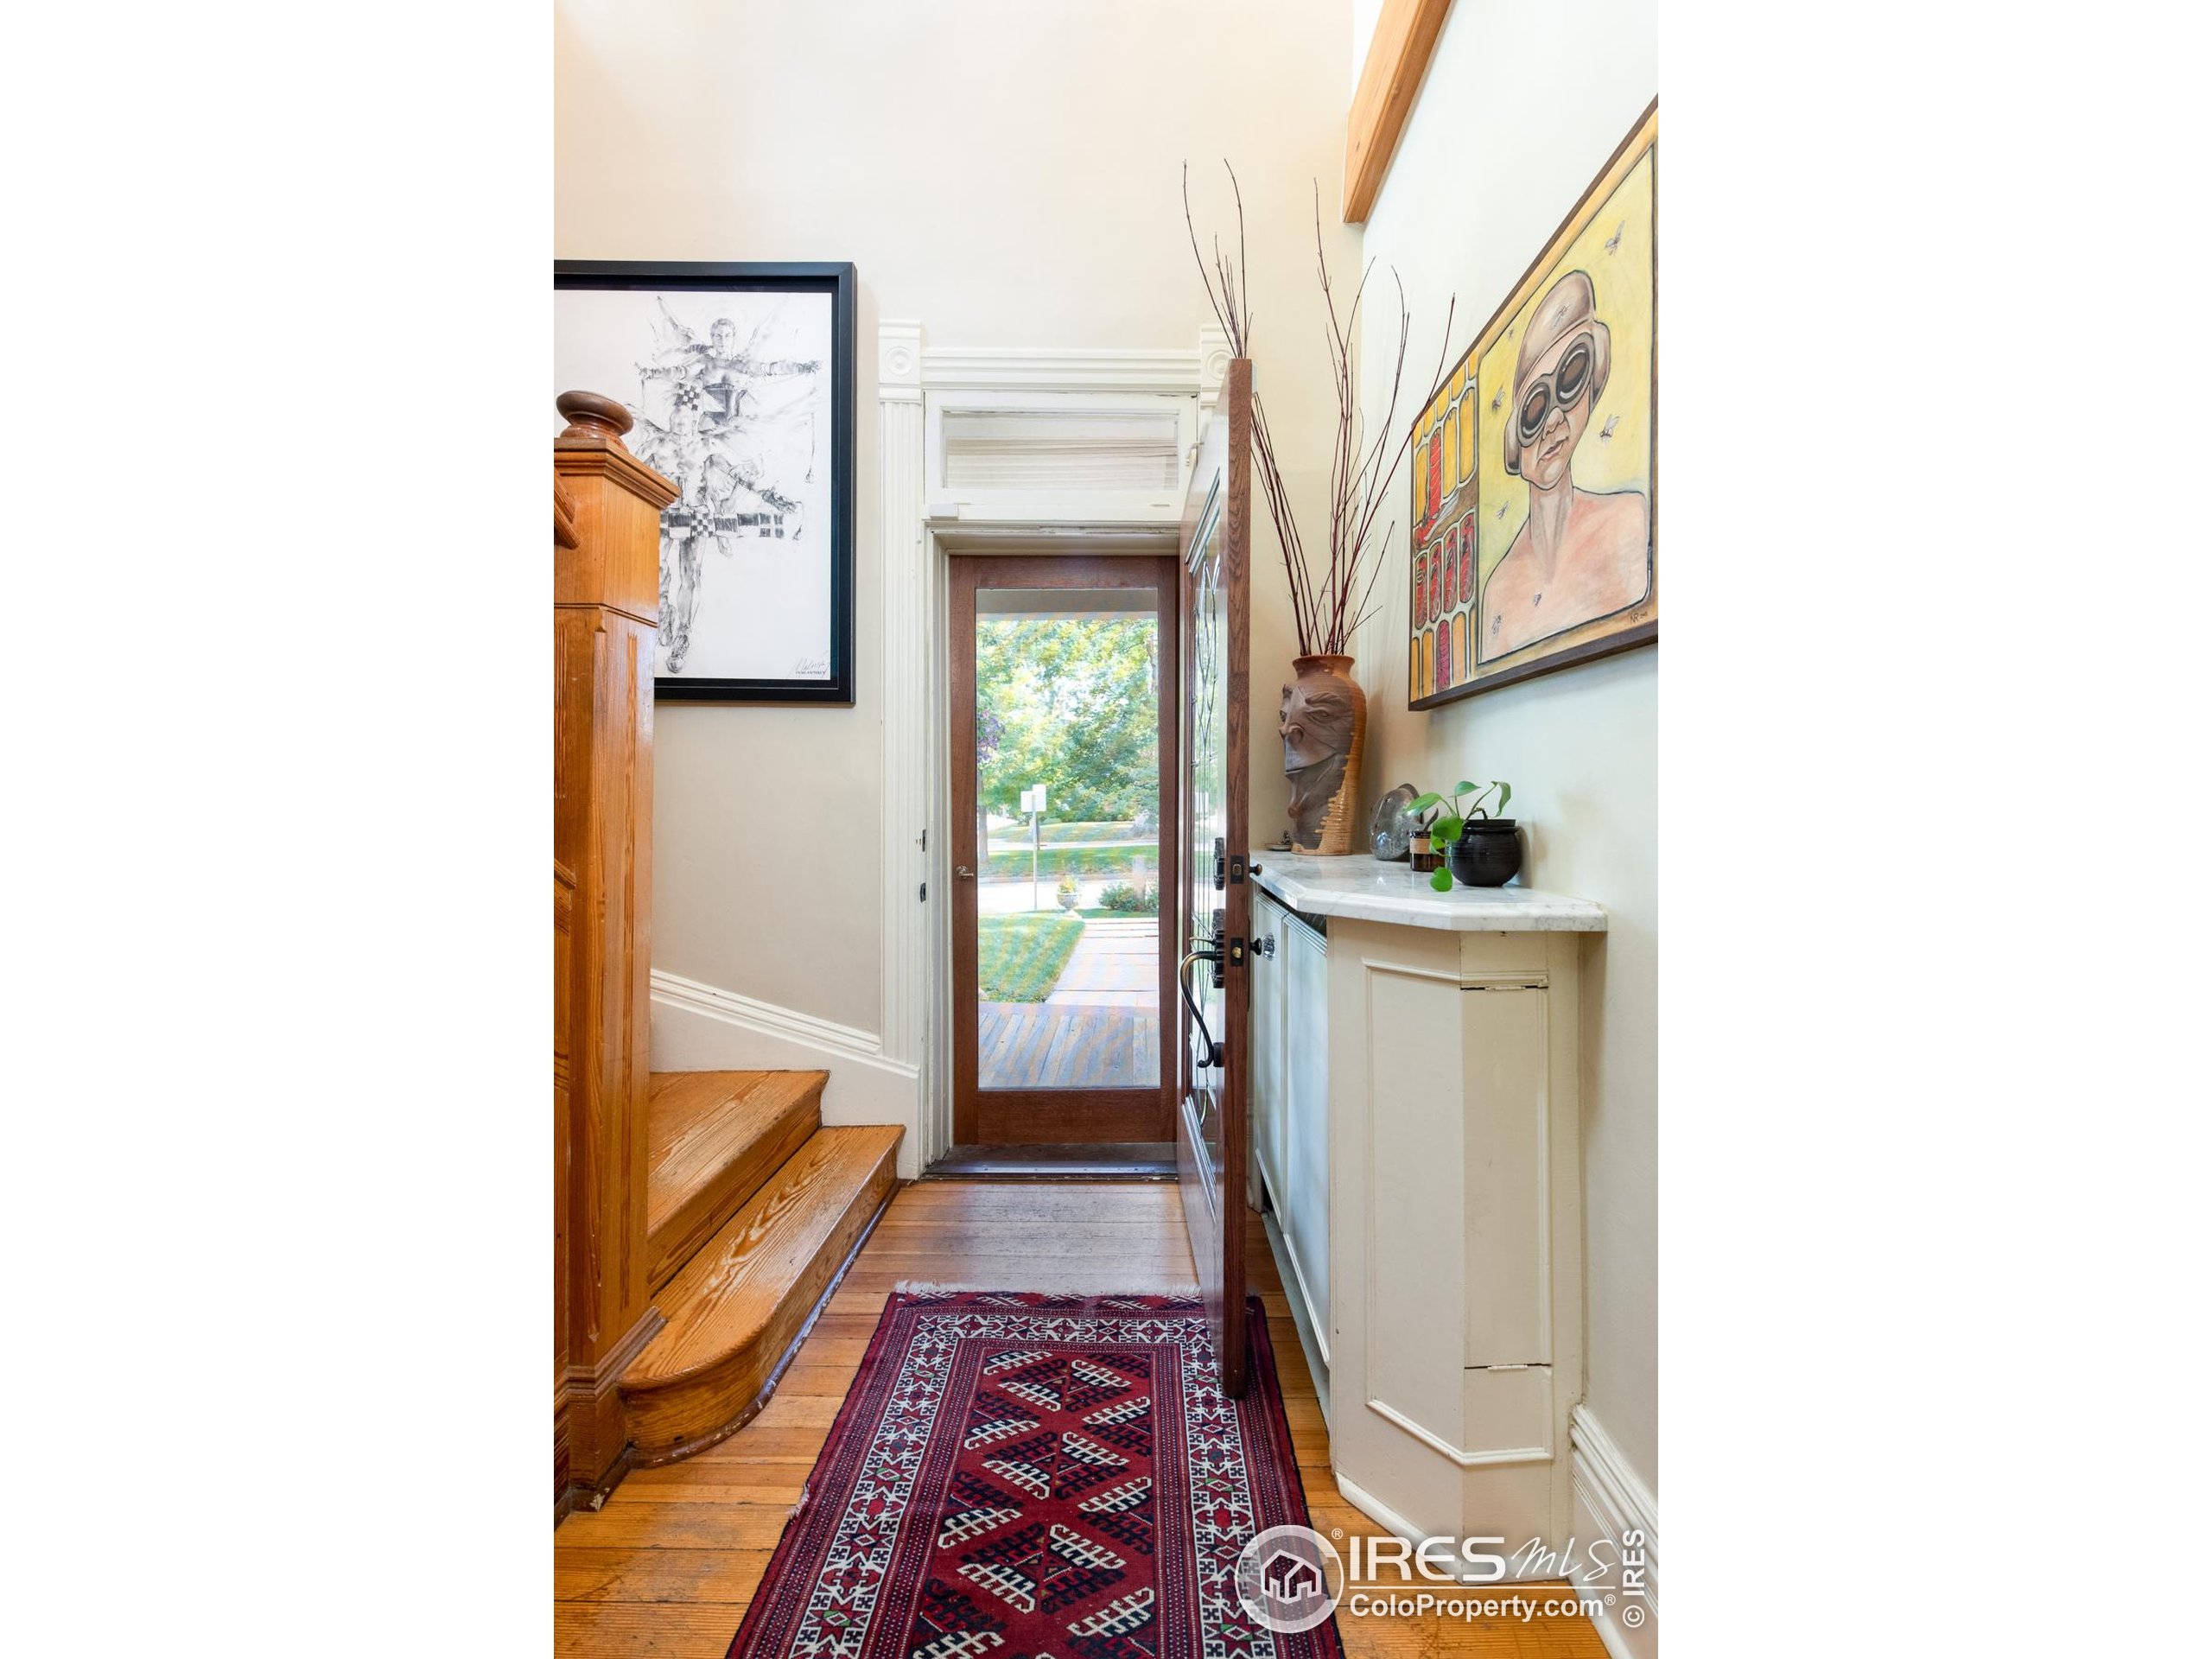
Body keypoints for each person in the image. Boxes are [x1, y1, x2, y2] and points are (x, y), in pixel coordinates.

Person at [1479, 270, 1649, 661]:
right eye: (1536, 409)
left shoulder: (1629, 523)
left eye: (1571, 376)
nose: (1554, 420)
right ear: (1515, 445)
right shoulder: (1498, 591)